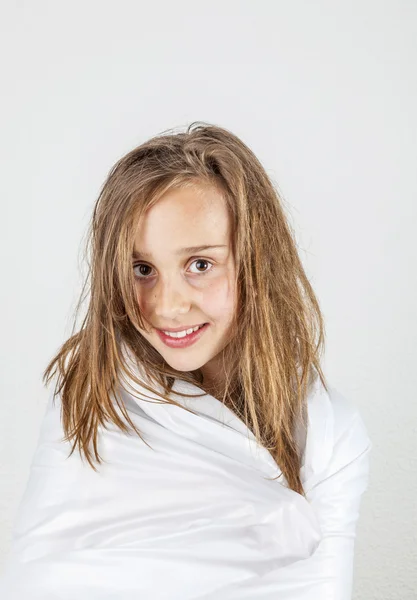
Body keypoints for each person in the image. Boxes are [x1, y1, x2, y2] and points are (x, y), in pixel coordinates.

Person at [0, 122, 372, 599]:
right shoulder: (90, 400)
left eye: (200, 264)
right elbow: (41, 581)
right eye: (142, 269)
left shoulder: (329, 436)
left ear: (257, 261)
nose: (167, 305)